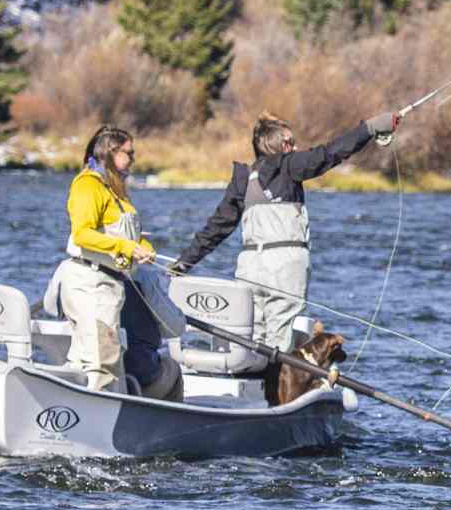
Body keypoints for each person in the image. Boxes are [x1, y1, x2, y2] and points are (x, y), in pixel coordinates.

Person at [170, 109, 399, 350]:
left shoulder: (243, 179)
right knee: (280, 341)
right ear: (286, 145)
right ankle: (275, 384)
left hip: (249, 267)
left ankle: (251, 381)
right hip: (285, 266)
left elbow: (217, 228)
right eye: (294, 142)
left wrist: (183, 263)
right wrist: (371, 127)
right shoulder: (290, 165)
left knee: (250, 339)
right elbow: (331, 152)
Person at [54, 126, 158, 391]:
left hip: (110, 285)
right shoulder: (87, 185)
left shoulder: (114, 188)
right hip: (90, 283)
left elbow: (124, 233)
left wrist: (142, 247)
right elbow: (82, 235)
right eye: (128, 153)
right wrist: (125, 247)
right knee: (102, 362)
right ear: (110, 152)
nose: (133, 159)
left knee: (107, 359)